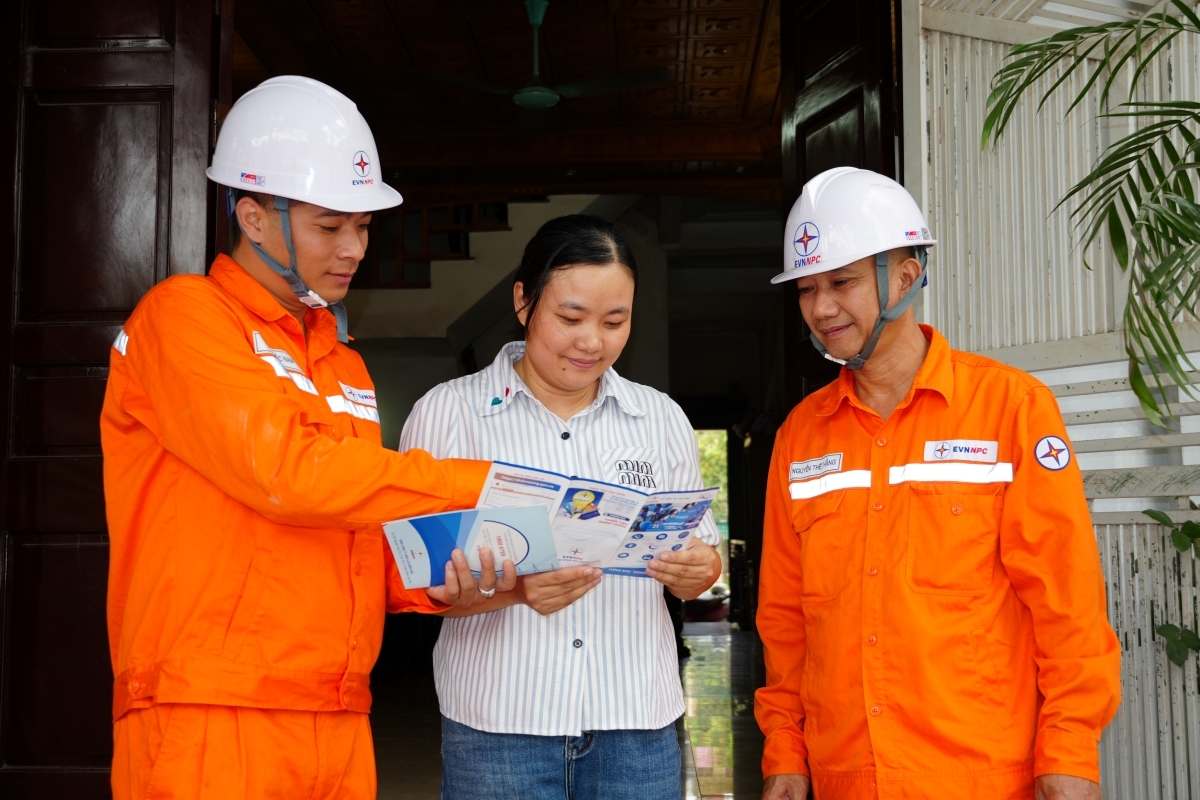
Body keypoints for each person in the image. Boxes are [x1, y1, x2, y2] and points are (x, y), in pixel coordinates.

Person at [102, 76, 514, 800]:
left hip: (336, 709)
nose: (354, 248)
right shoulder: (185, 318)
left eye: (364, 226)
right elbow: (290, 475)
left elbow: (356, 537)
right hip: (212, 711)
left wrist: (459, 585)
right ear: (254, 218)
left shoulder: (341, 361)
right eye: (330, 226)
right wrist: (485, 483)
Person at [755, 167, 1122, 800]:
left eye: (841, 281)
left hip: (980, 777)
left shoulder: (1011, 408)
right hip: (846, 777)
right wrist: (785, 752)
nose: (821, 308)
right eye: (806, 288)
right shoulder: (800, 436)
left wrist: (1069, 754)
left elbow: (1066, 602)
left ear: (906, 276)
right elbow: (784, 621)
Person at [398, 215, 724, 800]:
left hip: (636, 724)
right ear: (523, 301)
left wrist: (698, 571)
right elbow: (410, 579)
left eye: (615, 321)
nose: (592, 342)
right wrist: (507, 592)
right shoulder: (448, 413)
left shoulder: (660, 419)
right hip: (498, 727)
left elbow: (700, 562)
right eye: (570, 318)